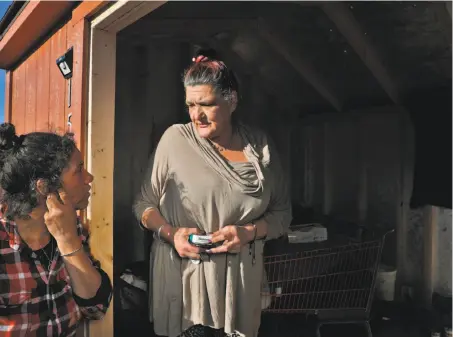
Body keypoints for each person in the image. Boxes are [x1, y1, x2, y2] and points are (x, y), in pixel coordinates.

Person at [134, 49, 292, 337]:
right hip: (185, 280)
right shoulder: (174, 140)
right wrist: (171, 234)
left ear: (232, 100)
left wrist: (248, 232)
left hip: (239, 283)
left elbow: (282, 213)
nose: (197, 115)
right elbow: (143, 204)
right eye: (190, 105)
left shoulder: (258, 145)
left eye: (206, 104)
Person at [0, 123, 112, 337]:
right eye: (78, 170)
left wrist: (68, 241)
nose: (89, 178)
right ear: (44, 187)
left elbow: (96, 308)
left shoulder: (71, 226)